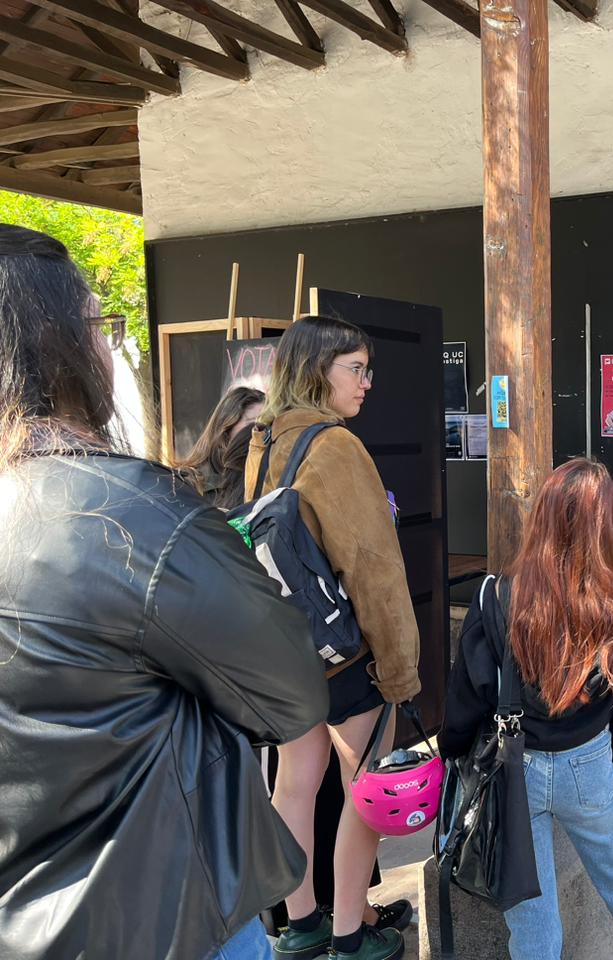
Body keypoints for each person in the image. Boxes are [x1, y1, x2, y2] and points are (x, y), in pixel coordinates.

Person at [0, 224, 328, 960]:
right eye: (99, 324)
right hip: (169, 910)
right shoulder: (131, 515)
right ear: (58, 342)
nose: (105, 346)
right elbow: (290, 691)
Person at [440, 460, 613, 960]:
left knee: (532, 921)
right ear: (607, 523)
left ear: (542, 516)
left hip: (512, 766)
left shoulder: (497, 593)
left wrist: (453, 751)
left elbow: (467, 695)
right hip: (589, 762)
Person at [246, 315, 422, 960]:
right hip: (344, 652)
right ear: (318, 369)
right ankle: (350, 931)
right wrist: (400, 669)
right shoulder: (336, 446)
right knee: (367, 786)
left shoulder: (265, 438)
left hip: (285, 648)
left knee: (294, 783)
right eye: (356, 368)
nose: (367, 382)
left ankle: (302, 925)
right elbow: (373, 568)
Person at [176, 385, 264, 509]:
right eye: (253, 424)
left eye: (269, 424)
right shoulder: (189, 481)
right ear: (226, 427)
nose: (262, 432)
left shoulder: (267, 476)